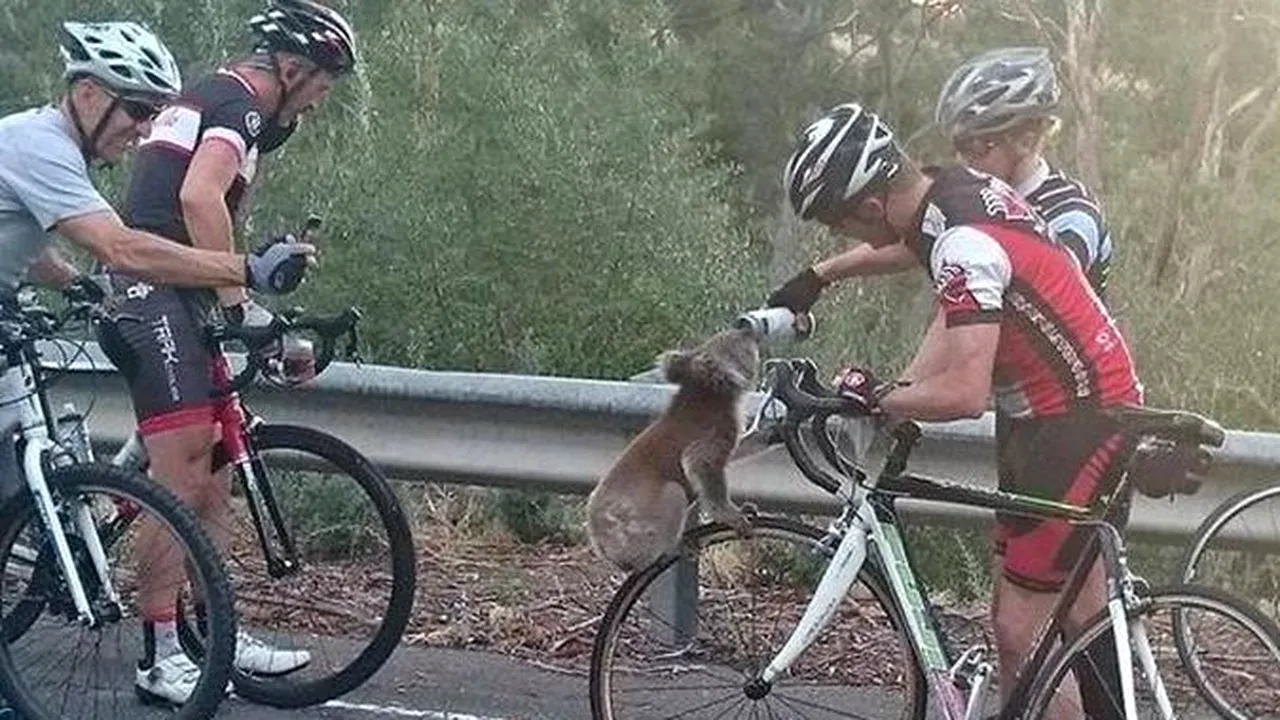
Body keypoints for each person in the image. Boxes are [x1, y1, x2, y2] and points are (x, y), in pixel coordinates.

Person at [768, 101, 1141, 718]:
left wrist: (879, 395)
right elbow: (910, 245)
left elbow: (965, 395)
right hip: (1060, 412)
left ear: (867, 207)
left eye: (843, 226)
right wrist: (821, 275)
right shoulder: (954, 192)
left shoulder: (964, 246)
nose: (852, 239)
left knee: (1020, 632)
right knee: (1078, 617)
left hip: (1077, 424)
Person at [0, 19, 314, 714]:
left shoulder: (49, 150)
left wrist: (71, 283)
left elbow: (33, 240)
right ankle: (160, 652)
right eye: (136, 109)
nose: (144, 131)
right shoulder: (38, 144)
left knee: (19, 491)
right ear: (87, 94)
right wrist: (243, 270)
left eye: (151, 113)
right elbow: (125, 248)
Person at [92, 0, 357, 706]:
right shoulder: (241, 106)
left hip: (178, 291)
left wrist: (254, 269)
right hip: (153, 292)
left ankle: (212, 631)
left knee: (211, 476)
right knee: (179, 484)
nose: (319, 107)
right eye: (323, 89)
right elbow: (200, 197)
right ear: (293, 70)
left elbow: (202, 211)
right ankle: (160, 654)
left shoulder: (218, 95)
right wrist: (243, 304)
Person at [777, 46, 1111, 302]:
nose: (964, 160)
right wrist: (817, 276)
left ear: (1026, 140)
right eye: (959, 146)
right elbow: (915, 239)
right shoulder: (980, 195)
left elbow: (1045, 293)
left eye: (978, 148)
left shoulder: (1071, 214)